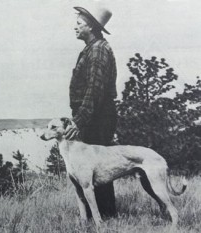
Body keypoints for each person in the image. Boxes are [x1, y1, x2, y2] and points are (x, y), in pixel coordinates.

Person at [65, 6, 118, 219]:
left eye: (79, 23)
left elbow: (94, 90)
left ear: (91, 27)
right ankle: (98, 216)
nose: (75, 27)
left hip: (97, 117)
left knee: (99, 168)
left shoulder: (97, 50)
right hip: (93, 115)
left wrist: (78, 121)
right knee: (93, 168)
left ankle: (105, 217)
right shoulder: (92, 48)